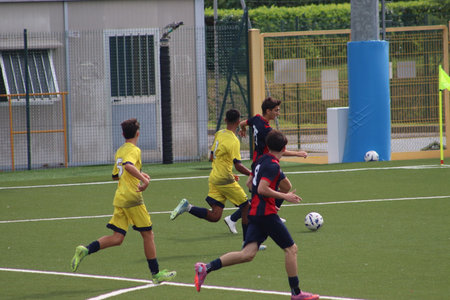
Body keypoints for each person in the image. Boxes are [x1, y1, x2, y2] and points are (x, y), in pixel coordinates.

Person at [194, 130, 320, 300]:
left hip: (255, 212)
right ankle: (296, 293)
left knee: (247, 254)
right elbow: (261, 188)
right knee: (291, 249)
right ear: (284, 147)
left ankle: (206, 268)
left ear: (268, 146)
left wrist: (272, 196)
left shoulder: (261, 160)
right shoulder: (273, 166)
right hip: (266, 215)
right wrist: (284, 197)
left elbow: (250, 184)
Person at [70, 118, 176, 284]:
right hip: (132, 198)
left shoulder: (120, 150)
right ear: (138, 133)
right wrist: (144, 180)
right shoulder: (134, 150)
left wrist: (141, 174)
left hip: (120, 197)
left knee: (118, 237)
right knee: (148, 234)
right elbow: (128, 166)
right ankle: (156, 274)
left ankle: (85, 249)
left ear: (122, 134)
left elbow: (116, 175)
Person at [224, 97, 308, 234]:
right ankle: (235, 218)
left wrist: (243, 129)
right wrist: (299, 154)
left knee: (284, 187)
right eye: (276, 110)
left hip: (258, 161)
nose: (278, 113)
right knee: (263, 195)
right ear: (268, 111)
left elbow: (243, 123)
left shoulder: (257, 119)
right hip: (265, 163)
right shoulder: (268, 131)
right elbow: (281, 150)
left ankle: (236, 218)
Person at [169, 109, 251, 242]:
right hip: (224, 180)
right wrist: (252, 173)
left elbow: (212, 156)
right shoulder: (234, 141)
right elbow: (238, 165)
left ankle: (188, 207)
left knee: (215, 216)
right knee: (246, 207)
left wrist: (227, 172)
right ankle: (247, 243)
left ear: (225, 120)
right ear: (238, 122)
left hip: (214, 178)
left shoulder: (219, 133)